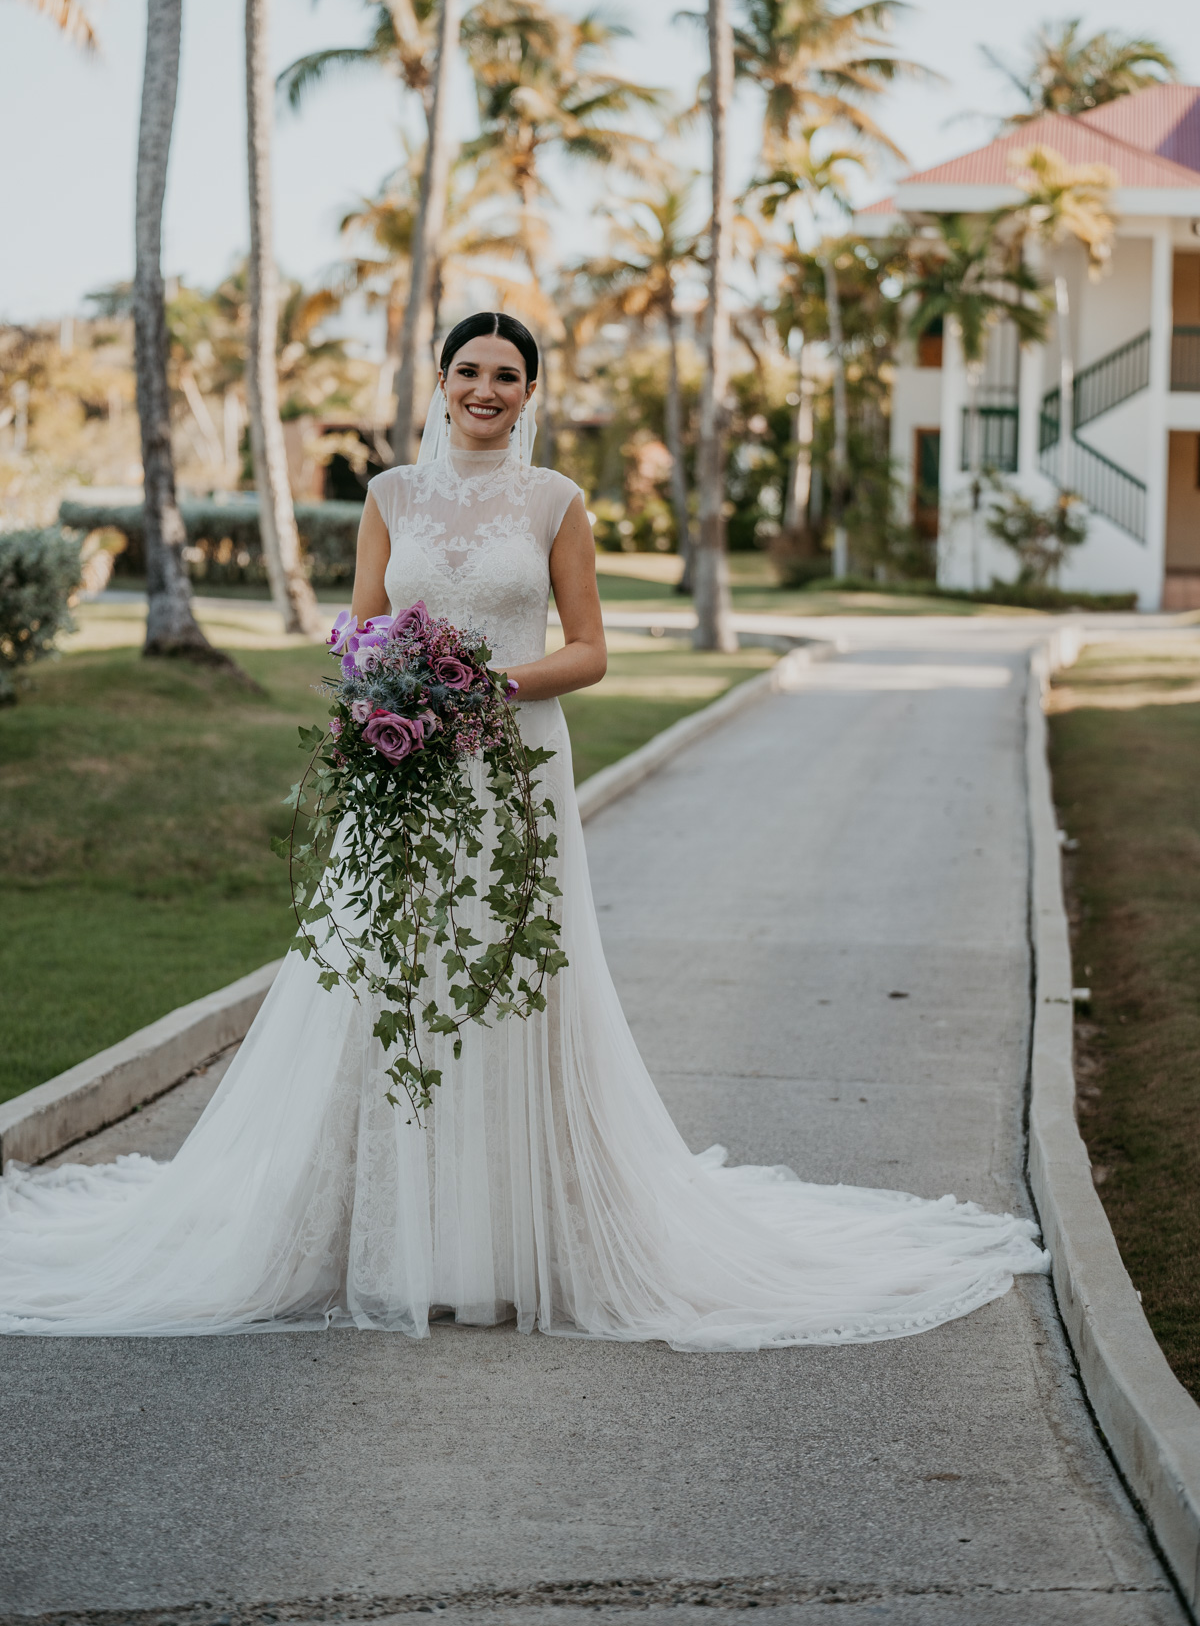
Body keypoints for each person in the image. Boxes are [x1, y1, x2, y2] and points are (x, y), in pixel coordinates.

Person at [0, 311, 1048, 1344]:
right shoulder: (388, 495)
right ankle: (371, 1238)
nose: (486, 389)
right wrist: (387, 696)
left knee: (504, 977)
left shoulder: (557, 501)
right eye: (469, 370)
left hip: (512, 772)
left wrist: (484, 687)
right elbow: (363, 628)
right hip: (403, 774)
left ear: (532, 391)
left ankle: (506, 1244)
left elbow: (589, 650)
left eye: (508, 373)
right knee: (388, 977)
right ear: (441, 381)